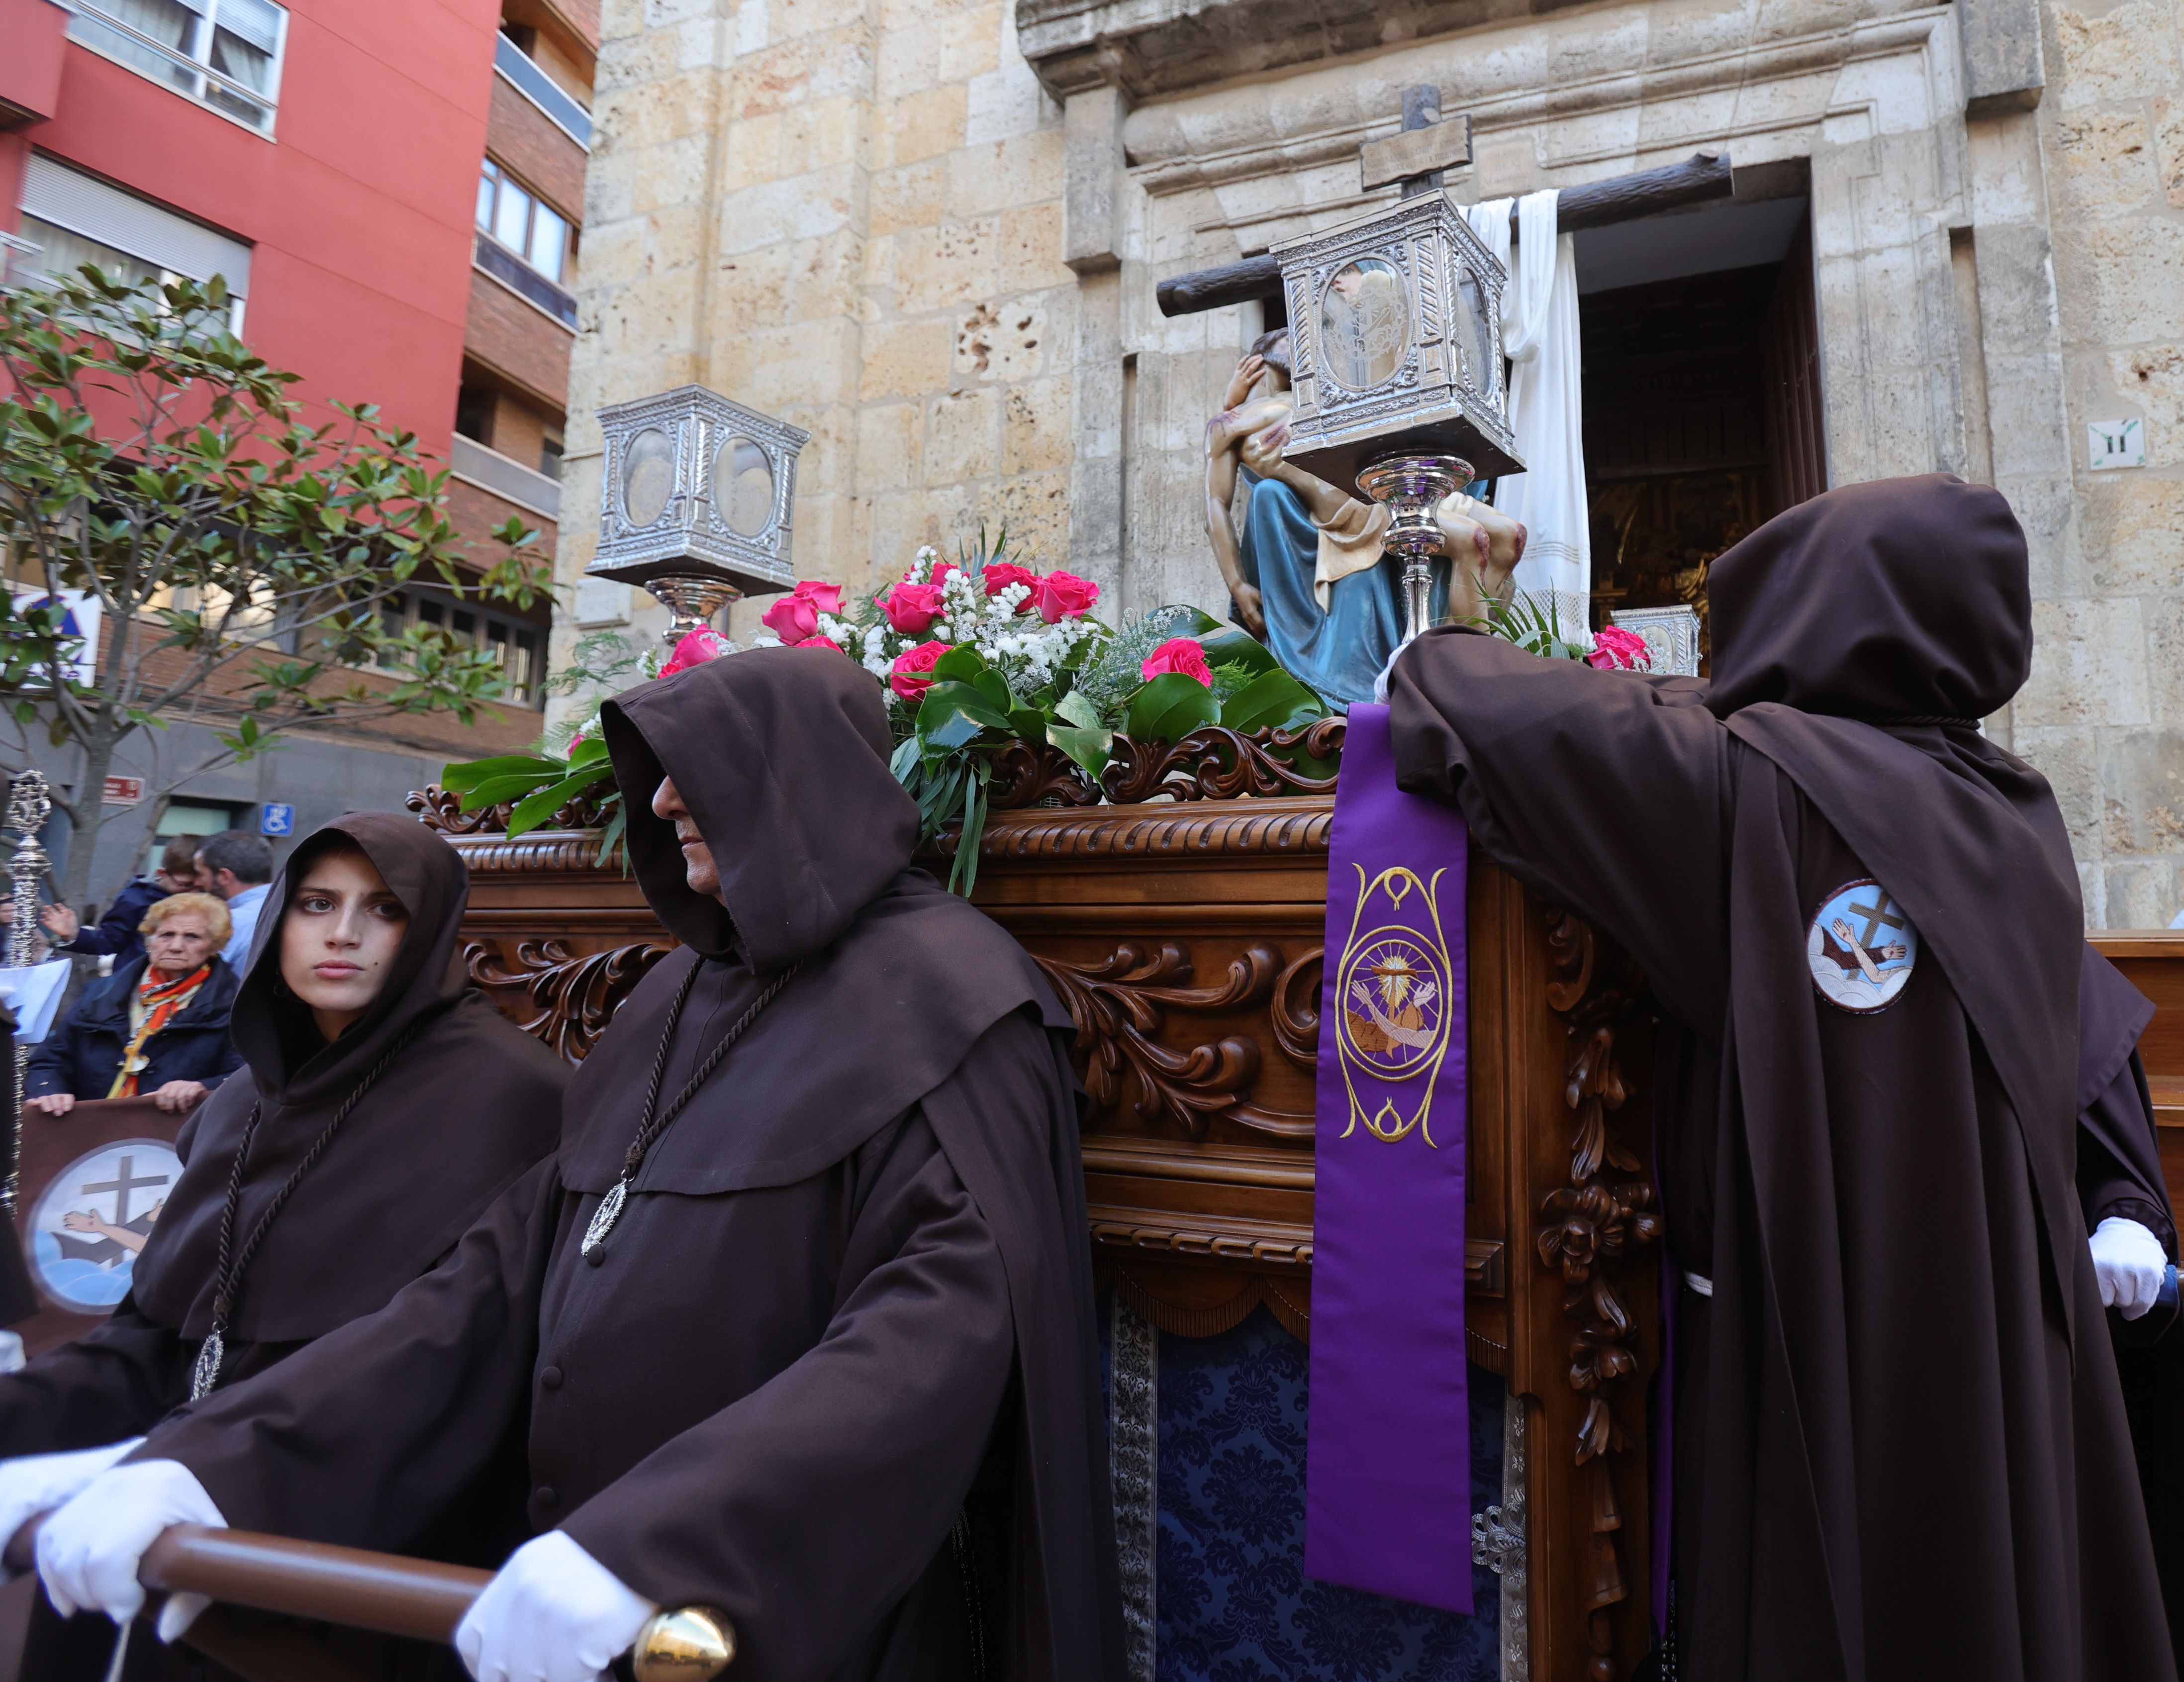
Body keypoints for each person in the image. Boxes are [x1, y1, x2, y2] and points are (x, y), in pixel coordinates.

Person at [37, 650, 1124, 1682]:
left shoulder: (952, 990)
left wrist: (666, 1544)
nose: (661, 800)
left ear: (798, 778)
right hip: (568, 1589)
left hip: (790, 1610)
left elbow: (935, 1332)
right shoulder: (670, 995)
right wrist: (221, 1466)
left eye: (697, 769)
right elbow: (489, 1287)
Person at [1385, 474, 2174, 1681]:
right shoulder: (2012, 811)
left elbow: (1448, 689)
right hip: (1993, 1325)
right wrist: (2126, 1200)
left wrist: (1460, 595)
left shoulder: (1745, 782)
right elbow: (2081, 1036)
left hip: (1817, 1322)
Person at [0, 813, 567, 1681]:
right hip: (149, 1519)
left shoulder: (513, 1097)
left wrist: (206, 1464)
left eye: (384, 909)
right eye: (317, 903)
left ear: (432, 930)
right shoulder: (240, 1100)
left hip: (344, 1539)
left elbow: (447, 1355)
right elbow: (155, 1341)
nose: (343, 934)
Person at [24, 894, 241, 1116]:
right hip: (94, 1127)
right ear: (150, 941)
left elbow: (248, 1077)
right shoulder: (101, 994)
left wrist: (201, 1088)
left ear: (214, 946)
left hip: (179, 1129)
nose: (176, 946)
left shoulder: (236, 1005)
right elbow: (50, 1061)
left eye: (192, 937)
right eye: (167, 935)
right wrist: (50, 1091)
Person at [38, 835, 205, 967]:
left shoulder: (208, 900)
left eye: (202, 886)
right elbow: (110, 940)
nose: (195, 891)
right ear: (162, 873)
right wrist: (74, 934)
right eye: (187, 885)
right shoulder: (136, 899)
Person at [193, 831, 273, 971]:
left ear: (224, 876)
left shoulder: (230, 923)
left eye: (201, 874)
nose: (197, 883)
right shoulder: (288, 907)